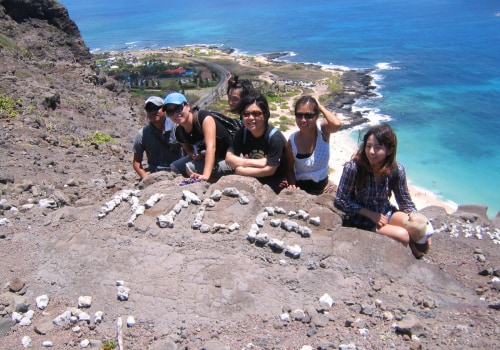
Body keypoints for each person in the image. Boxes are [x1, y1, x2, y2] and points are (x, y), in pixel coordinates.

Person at [333, 124, 431, 258]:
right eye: (368, 146)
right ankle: (404, 258)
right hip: (362, 218)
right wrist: (370, 214)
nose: (371, 152)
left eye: (377, 147)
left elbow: (405, 202)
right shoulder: (354, 168)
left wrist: (422, 225)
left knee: (421, 230)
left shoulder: (396, 170)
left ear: (389, 150)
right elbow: (341, 200)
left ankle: (415, 247)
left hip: (385, 212)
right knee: (403, 236)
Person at [163, 92, 233, 182]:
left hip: (229, 157)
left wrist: (205, 175)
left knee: (190, 168)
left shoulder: (203, 118)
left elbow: (211, 147)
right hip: (209, 156)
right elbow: (188, 150)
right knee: (175, 167)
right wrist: (193, 154)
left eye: (178, 108)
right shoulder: (179, 132)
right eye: (170, 112)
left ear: (188, 106)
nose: (175, 114)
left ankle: (212, 181)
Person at [225, 93, 287, 193]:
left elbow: (270, 170)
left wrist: (240, 170)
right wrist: (258, 162)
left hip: (275, 178)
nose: (250, 118)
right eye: (246, 114)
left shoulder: (275, 138)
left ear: (265, 115)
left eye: (256, 113)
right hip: (253, 172)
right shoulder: (242, 133)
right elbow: (229, 158)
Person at [284, 96, 342, 194]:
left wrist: (319, 106)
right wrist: (292, 185)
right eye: (299, 115)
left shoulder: (323, 131)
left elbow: (336, 124)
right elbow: (289, 169)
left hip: (325, 188)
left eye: (309, 115)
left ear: (316, 116)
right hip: (302, 190)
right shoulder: (292, 142)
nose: (303, 120)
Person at [132, 96, 181, 179]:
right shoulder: (142, 134)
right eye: (149, 109)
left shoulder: (178, 127)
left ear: (165, 110)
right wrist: (146, 178)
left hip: (178, 171)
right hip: (155, 172)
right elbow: (136, 162)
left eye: (157, 108)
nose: (153, 112)